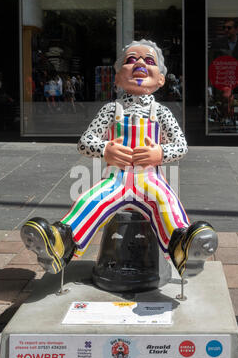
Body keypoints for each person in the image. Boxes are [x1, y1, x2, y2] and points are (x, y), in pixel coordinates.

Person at [20, 40, 218, 280]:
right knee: (90, 200)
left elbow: (180, 146)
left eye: (150, 60)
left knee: (166, 202)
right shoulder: (110, 110)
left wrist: (160, 154)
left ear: (161, 80)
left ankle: (183, 246)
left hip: (150, 179)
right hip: (115, 179)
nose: (140, 63)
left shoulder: (162, 113)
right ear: (116, 78)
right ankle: (60, 241)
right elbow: (85, 142)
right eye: (131, 60)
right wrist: (105, 149)